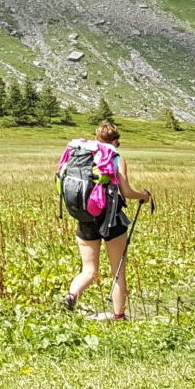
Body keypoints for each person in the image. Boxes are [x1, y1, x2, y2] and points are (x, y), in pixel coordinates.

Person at [57, 120, 154, 320]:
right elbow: (126, 191)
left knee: (89, 269)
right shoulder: (115, 156)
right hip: (111, 219)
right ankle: (119, 315)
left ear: (96, 136)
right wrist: (144, 195)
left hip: (85, 216)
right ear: (116, 140)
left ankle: (71, 295)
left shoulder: (82, 153)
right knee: (118, 270)